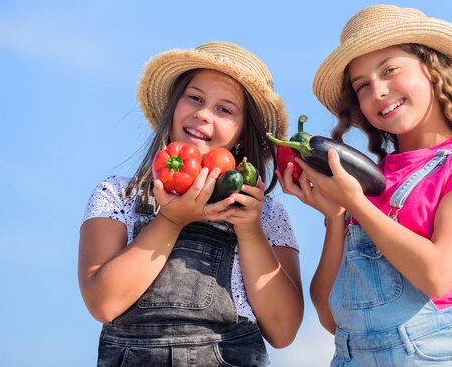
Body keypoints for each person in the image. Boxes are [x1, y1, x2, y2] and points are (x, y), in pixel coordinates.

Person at [278, 5, 452, 366]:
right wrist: (336, 216)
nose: (379, 90)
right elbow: (330, 315)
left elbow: (437, 274)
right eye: (363, 85)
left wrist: (357, 204)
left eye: (390, 70)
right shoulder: (363, 181)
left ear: (432, 71)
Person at [79, 41, 303, 366]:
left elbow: (283, 330)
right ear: (174, 109)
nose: (202, 113)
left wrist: (250, 231)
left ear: (241, 136)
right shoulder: (119, 196)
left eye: (224, 109)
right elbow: (104, 303)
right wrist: (170, 221)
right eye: (195, 98)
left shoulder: (266, 214)